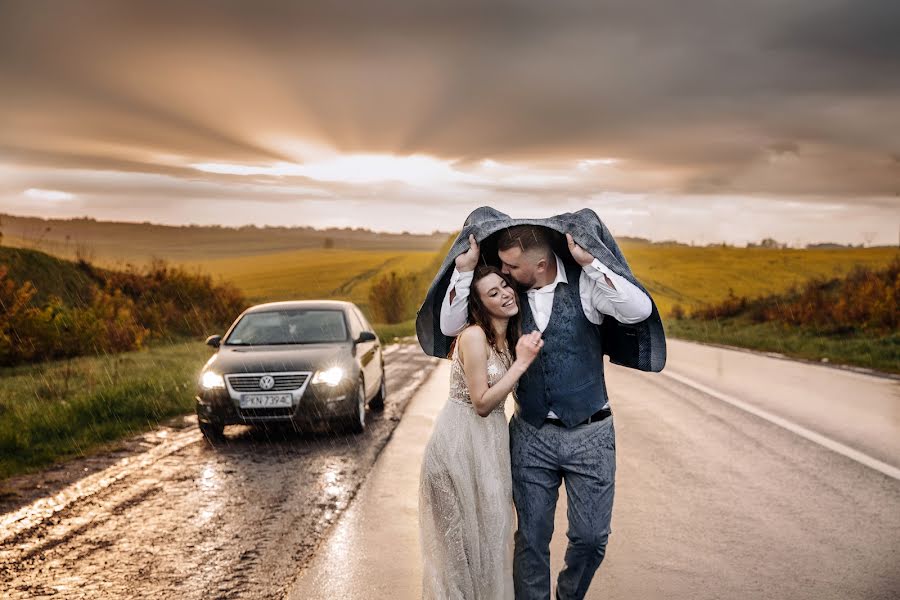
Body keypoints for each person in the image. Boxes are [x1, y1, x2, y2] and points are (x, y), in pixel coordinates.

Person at [439, 225, 653, 600]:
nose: (504, 276)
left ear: (538, 265)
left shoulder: (586, 287)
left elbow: (640, 311)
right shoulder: (510, 302)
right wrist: (463, 270)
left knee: (591, 539)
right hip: (531, 434)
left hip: (591, 435)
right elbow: (452, 325)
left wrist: (593, 264)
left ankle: (568, 595)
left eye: (510, 268)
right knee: (531, 540)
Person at [419, 265, 544, 600]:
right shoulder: (474, 336)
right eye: (493, 293)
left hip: (488, 447)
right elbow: (482, 402)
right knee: (459, 552)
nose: (505, 294)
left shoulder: (508, 338)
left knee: (491, 538)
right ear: (479, 305)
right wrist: (521, 363)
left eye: (505, 286)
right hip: (456, 450)